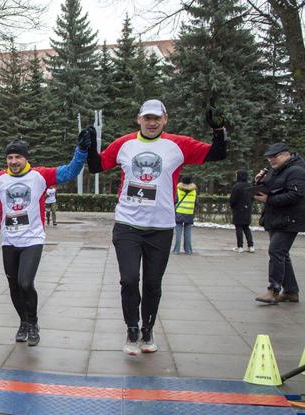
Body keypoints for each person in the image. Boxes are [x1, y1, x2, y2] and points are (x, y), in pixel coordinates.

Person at [85, 99, 227, 355]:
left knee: (152, 284)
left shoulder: (178, 145)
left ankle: (147, 329)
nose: (152, 123)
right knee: (129, 280)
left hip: (160, 228)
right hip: (127, 225)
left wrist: (219, 131)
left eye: (156, 118)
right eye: (147, 118)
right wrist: (89, 147)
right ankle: (131, 329)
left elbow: (218, 154)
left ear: (165, 119)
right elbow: (97, 166)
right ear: (139, 119)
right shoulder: (124, 144)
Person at [0, 137, 89, 346]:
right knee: (13, 286)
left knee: (25, 282)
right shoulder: (0, 178)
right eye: (10, 157)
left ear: (26, 158)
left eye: (18, 157)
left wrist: (81, 151)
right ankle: (23, 322)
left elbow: (70, 171)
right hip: (9, 241)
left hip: (32, 239)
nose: (13, 161)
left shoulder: (39, 176)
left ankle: (33, 323)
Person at [253, 143, 305, 304]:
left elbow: (296, 195)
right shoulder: (277, 171)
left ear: (286, 154)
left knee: (276, 250)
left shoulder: (297, 171)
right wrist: (258, 181)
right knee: (282, 254)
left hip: (290, 219)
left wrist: (269, 199)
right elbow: (268, 189)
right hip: (276, 218)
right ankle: (290, 291)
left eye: (274, 156)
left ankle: (273, 290)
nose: (271, 160)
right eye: (269, 157)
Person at [229, 169, 254, 253]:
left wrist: (232, 206)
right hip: (248, 209)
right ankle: (251, 246)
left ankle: (240, 246)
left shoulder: (236, 186)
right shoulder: (250, 185)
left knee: (238, 227)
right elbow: (252, 198)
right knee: (246, 227)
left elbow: (232, 200)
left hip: (238, 209)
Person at [173, 176, 197, 255]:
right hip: (189, 213)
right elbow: (196, 203)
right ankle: (188, 250)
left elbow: (175, 200)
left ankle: (176, 250)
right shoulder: (194, 191)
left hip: (179, 213)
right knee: (188, 233)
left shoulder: (178, 190)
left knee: (178, 233)